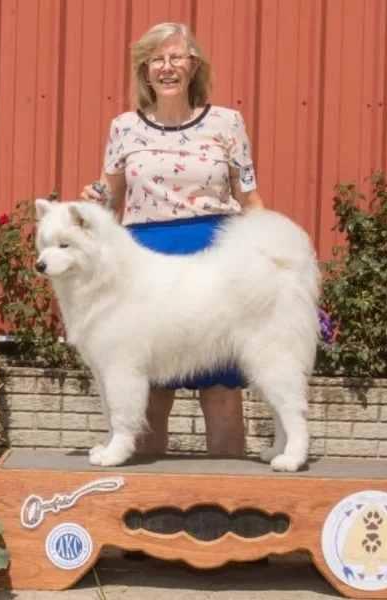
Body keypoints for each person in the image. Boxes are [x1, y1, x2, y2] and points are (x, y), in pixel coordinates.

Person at [80, 22, 264, 458]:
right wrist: (92, 200)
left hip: (216, 265)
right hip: (145, 264)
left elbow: (251, 202)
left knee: (221, 392)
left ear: (193, 66)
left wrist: (272, 265)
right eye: (156, 60)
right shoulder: (123, 128)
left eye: (176, 57)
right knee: (149, 393)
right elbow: (109, 201)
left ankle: (226, 510)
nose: (167, 67)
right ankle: (143, 512)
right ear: (145, 72)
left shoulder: (228, 123)